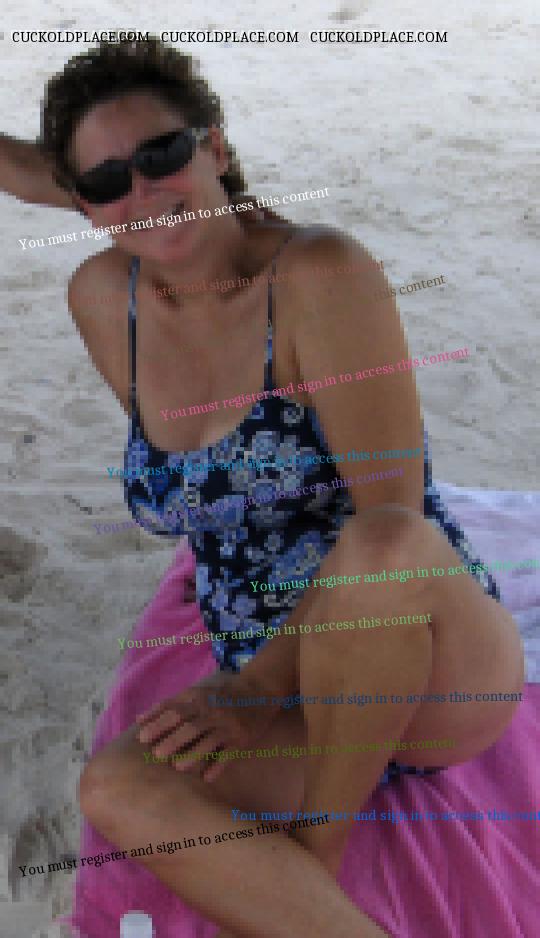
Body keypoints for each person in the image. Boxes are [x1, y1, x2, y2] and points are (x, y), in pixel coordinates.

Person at [1, 37, 524, 938]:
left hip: (419, 658)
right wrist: (258, 683)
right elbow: (65, 179)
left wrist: (251, 692)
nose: (143, 191)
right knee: (116, 788)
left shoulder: (320, 275)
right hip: (276, 680)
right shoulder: (105, 299)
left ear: (215, 145)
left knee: (382, 542)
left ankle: (316, 853)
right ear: (82, 203)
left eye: (164, 154)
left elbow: (394, 519)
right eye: (109, 180)